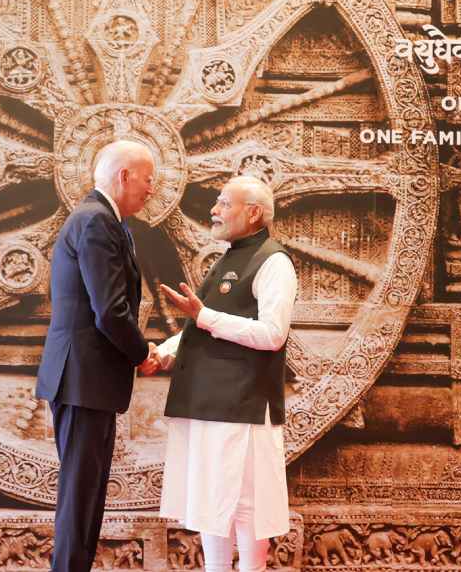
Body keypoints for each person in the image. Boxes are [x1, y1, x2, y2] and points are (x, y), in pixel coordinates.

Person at [149, 175, 296, 572]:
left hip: (244, 403)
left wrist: (204, 314)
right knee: (211, 502)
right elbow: (203, 329)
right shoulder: (229, 259)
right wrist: (162, 354)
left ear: (253, 213)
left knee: (248, 506)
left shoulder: (274, 261)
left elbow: (272, 335)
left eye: (223, 203)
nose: (214, 211)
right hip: (209, 401)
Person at [35, 139, 161, 572]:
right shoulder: (96, 222)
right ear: (124, 176)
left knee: (86, 496)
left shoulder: (105, 220)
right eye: (148, 180)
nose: (152, 190)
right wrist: (142, 353)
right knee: (80, 496)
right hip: (82, 379)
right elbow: (109, 310)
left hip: (87, 380)